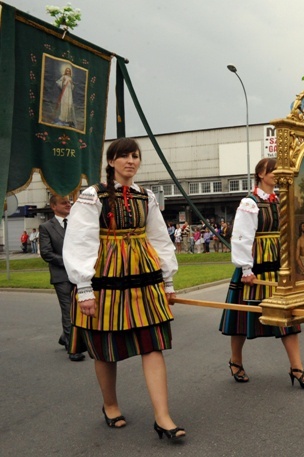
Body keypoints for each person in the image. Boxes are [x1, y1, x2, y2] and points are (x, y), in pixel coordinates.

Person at [63, 138, 185, 440]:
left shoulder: (146, 196)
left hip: (144, 276)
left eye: (135, 156)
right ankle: (110, 404)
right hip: (106, 275)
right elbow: (80, 240)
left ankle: (163, 417)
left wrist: (168, 280)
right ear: (111, 161)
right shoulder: (94, 196)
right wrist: (85, 288)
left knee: (153, 343)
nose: (131, 161)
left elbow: (159, 239)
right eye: (124, 156)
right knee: (106, 348)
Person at [219, 158, 304, 388]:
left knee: (287, 318)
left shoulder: (280, 200)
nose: (276, 175)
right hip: (256, 264)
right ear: (261, 173)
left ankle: (297, 368)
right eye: (272, 171)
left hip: (278, 265)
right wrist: (246, 268)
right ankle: (236, 361)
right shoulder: (249, 203)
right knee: (242, 318)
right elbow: (241, 236)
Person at [39, 195, 85, 361]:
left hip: (79, 274)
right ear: (53, 206)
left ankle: (65, 336)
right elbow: (46, 253)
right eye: (64, 203)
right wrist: (68, 262)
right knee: (68, 311)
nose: (68, 205)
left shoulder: (76, 223)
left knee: (81, 308)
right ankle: (72, 348)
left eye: (69, 202)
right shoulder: (46, 227)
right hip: (61, 275)